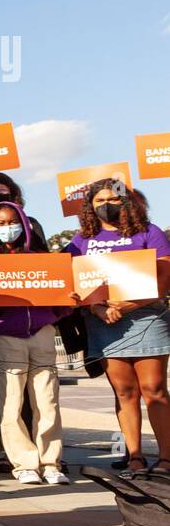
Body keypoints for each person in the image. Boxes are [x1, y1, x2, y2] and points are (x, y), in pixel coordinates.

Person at [65, 179, 170, 476]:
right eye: (99, 201)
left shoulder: (150, 232)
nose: (106, 205)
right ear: (90, 206)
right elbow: (74, 284)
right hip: (103, 321)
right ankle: (134, 457)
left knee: (154, 390)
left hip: (146, 317)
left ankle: (166, 459)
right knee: (124, 391)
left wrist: (124, 306)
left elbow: (163, 280)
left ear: (127, 201)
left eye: (113, 198)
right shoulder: (82, 240)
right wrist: (98, 308)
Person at [0, 201, 68, 484]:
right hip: (6, 336)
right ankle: (24, 463)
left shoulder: (43, 259)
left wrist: (67, 302)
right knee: (11, 402)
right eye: (0, 223)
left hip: (42, 333)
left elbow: (61, 304)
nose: (7, 227)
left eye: (12, 221)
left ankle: (51, 462)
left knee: (47, 400)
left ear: (24, 224)